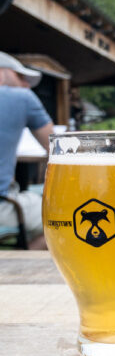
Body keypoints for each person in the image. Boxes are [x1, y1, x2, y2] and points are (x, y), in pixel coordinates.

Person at [0, 51, 54, 249]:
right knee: (70, 217)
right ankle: (21, 256)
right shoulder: (21, 97)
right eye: (20, 77)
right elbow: (58, 151)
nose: (26, 85)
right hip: (3, 207)